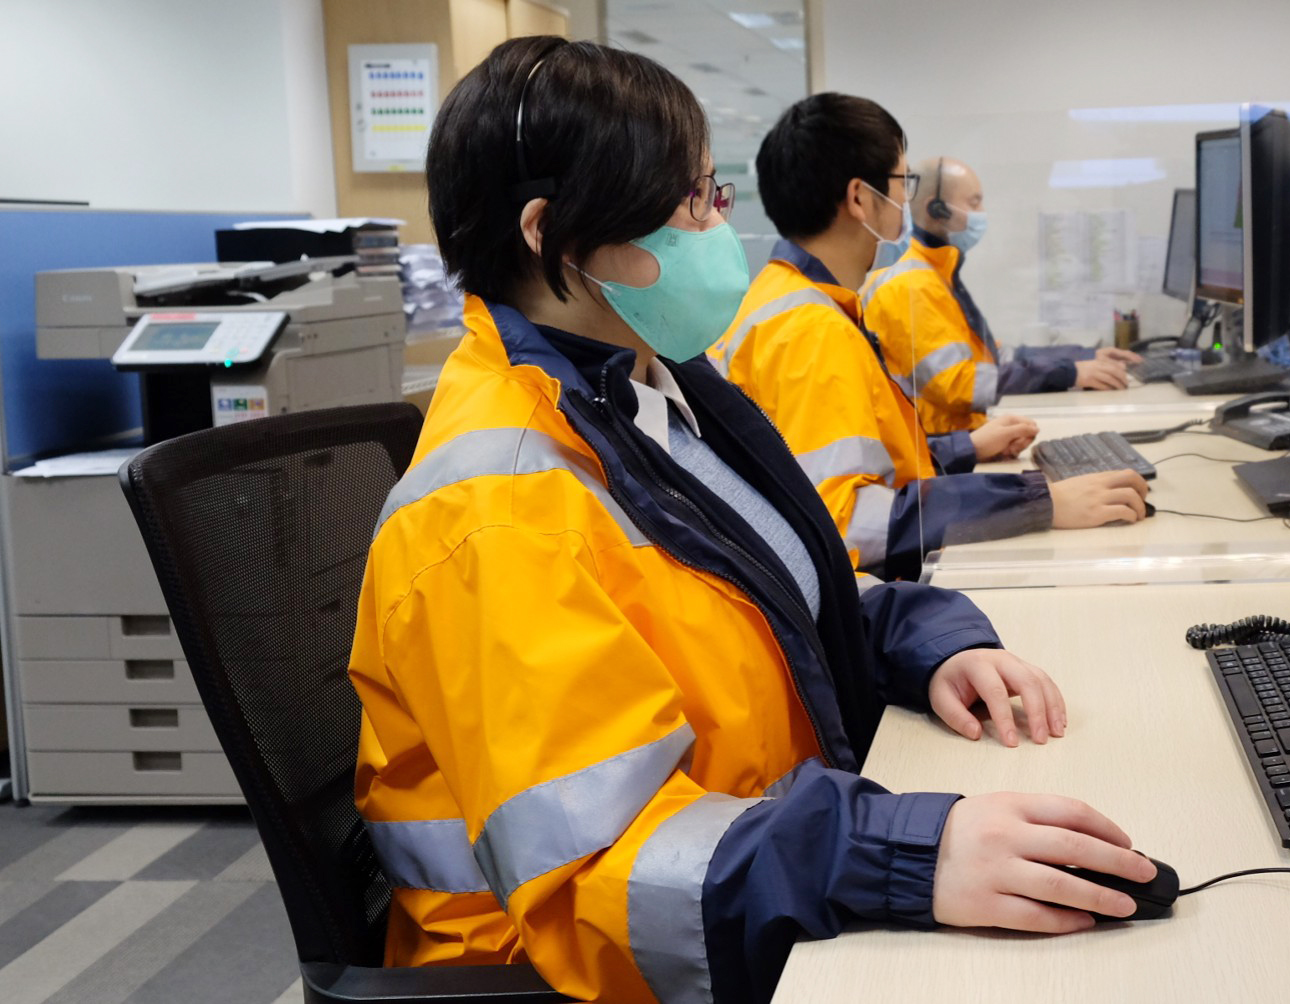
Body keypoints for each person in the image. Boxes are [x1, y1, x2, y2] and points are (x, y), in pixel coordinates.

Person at [348, 39, 1156, 1004]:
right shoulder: (500, 515)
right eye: (689, 202)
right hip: (589, 970)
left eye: (711, 195)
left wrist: (927, 639)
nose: (715, 228)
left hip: (753, 872)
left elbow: (780, 598)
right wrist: (901, 855)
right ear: (551, 231)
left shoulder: (644, 392)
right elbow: (607, 876)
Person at [711, 95, 1149, 581]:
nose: (906, 202)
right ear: (860, 198)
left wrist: (965, 450)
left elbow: (851, 471)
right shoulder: (813, 332)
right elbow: (848, 522)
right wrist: (1038, 501)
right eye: (903, 183)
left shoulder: (787, 299)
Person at [863, 156, 1143, 439]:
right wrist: (1070, 374)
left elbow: (995, 356)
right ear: (937, 211)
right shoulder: (910, 284)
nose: (982, 213)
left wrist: (1083, 357)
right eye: (974, 203)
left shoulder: (934, 270)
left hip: (955, 442)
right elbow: (962, 384)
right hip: (935, 456)